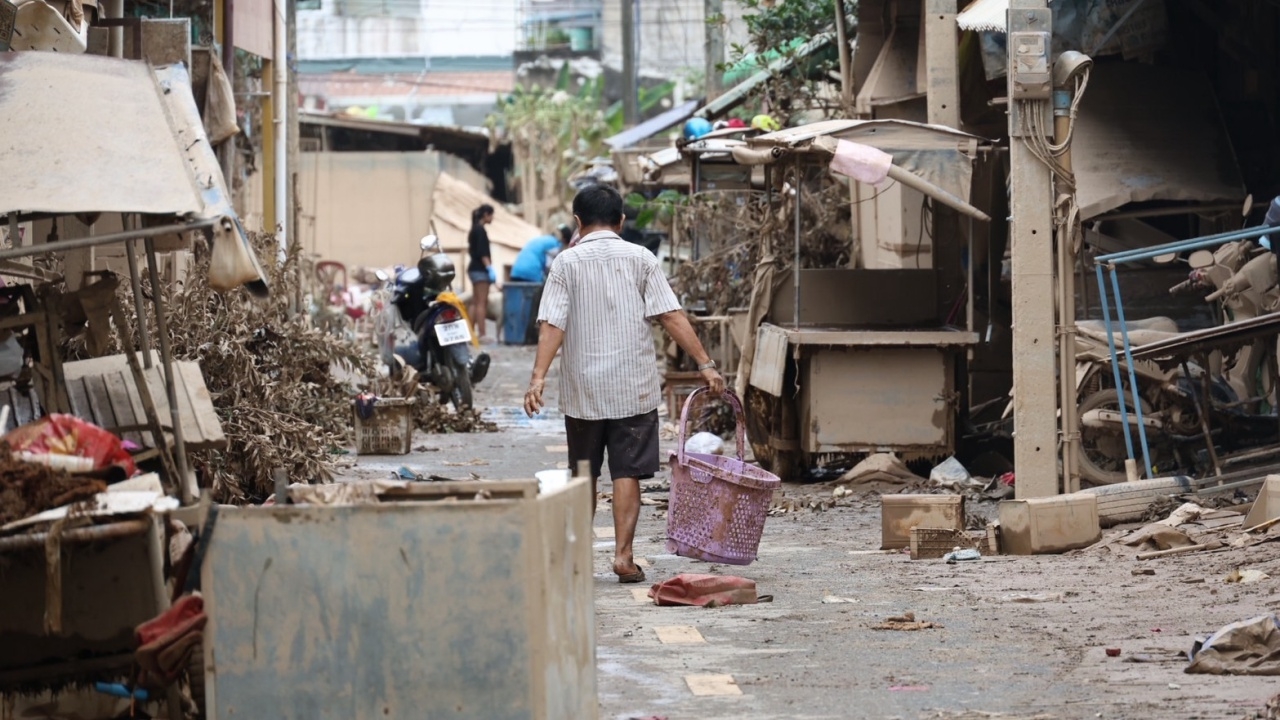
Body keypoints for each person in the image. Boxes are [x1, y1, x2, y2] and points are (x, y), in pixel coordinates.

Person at [523, 184, 725, 584]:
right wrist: (706, 365)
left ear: (578, 222)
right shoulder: (641, 258)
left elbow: (552, 324)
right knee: (626, 472)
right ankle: (623, 556)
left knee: (583, 472)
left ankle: (578, 559)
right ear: (621, 221)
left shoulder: (567, 263)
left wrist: (538, 378)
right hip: (632, 387)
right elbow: (670, 316)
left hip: (583, 391)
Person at [467, 204, 496, 341]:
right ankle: (482, 334)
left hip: (473, 269)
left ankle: (470, 333)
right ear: (486, 215)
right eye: (491, 215)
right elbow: (483, 253)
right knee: (481, 303)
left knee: (474, 301)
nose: (492, 218)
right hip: (480, 270)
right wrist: (489, 268)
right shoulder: (480, 231)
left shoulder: (474, 229)